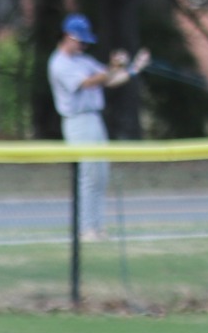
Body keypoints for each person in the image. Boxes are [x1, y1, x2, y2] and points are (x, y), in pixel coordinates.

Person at [48, 13, 146, 242]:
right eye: (80, 40)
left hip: (94, 119)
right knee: (89, 175)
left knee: (101, 175)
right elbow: (89, 82)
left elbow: (109, 80)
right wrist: (114, 65)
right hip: (78, 121)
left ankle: (98, 227)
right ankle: (85, 229)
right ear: (68, 37)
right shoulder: (59, 63)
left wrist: (133, 69)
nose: (83, 45)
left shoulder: (83, 60)